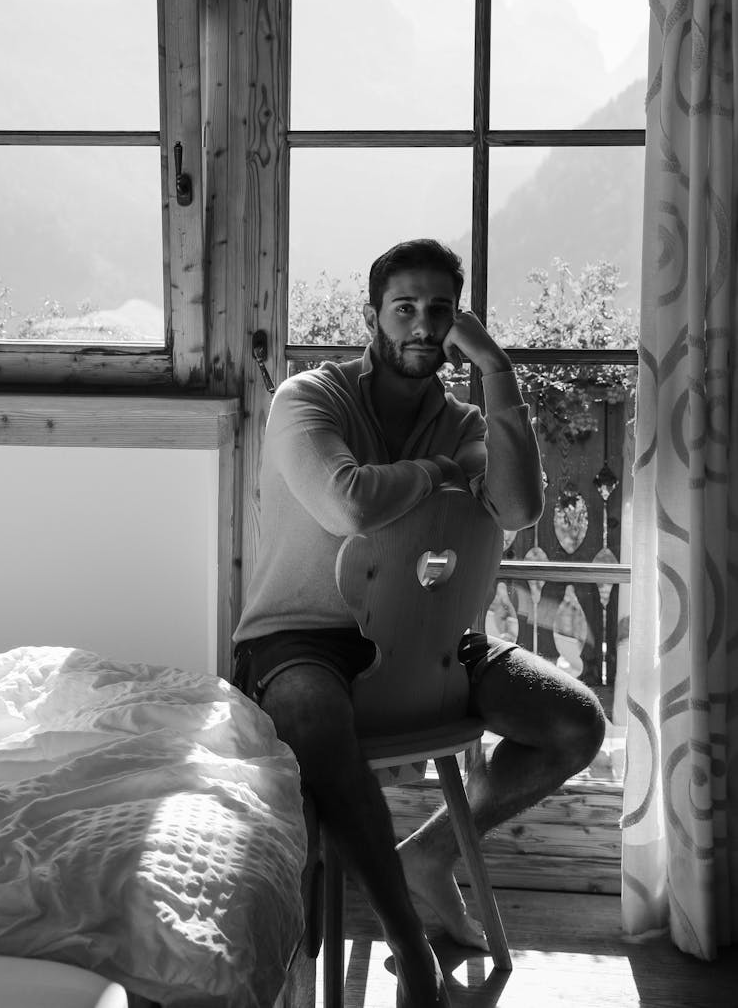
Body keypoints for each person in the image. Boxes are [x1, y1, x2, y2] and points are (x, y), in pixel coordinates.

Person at [233, 238, 605, 1008]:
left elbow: (520, 507)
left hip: (435, 640)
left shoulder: (465, 419)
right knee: (312, 722)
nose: (423, 324)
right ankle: (407, 938)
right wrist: (439, 475)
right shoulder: (307, 396)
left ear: (457, 320)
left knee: (576, 725)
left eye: (441, 309)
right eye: (405, 307)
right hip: (304, 636)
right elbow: (349, 502)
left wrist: (498, 371)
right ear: (373, 316)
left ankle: (426, 855)